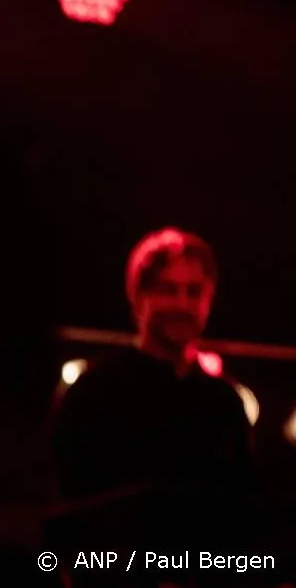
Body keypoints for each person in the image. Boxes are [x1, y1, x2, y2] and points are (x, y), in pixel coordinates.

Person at [47, 228, 256, 556]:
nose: (182, 304)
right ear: (138, 297)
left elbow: (243, 516)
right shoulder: (93, 392)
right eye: (168, 290)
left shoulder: (225, 402)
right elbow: (73, 512)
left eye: (194, 291)